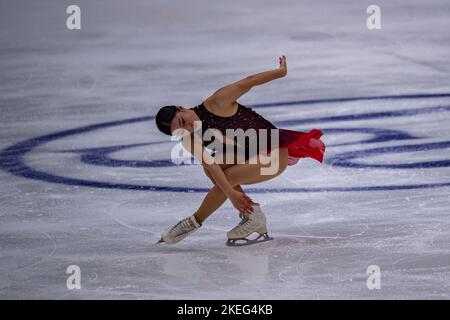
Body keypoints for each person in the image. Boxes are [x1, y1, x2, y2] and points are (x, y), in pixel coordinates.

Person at [155, 56, 326, 246]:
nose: (186, 127)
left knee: (227, 177)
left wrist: (280, 72)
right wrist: (231, 194)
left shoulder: (217, 102)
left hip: (274, 154)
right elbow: (211, 166)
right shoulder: (191, 137)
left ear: (181, 107)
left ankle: (193, 222)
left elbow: (249, 81)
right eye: (181, 130)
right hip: (251, 154)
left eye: (182, 120)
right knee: (215, 167)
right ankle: (253, 214)